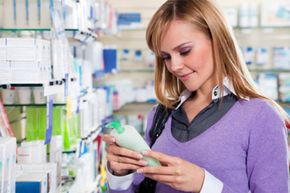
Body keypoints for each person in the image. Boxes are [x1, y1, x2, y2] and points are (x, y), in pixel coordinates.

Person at [103, 0, 289, 192]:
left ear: (218, 40)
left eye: (184, 51)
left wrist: (204, 184)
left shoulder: (261, 117)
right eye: (166, 56)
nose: (174, 66)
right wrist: (120, 177)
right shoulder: (160, 115)